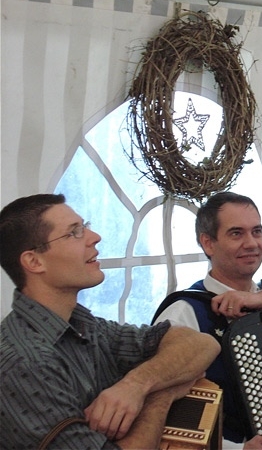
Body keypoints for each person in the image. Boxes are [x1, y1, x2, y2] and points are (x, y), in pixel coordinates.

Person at [0, 193, 220, 450]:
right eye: (74, 232)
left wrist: (135, 386)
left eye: (85, 226)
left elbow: (202, 344)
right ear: (34, 261)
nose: (95, 237)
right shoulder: (23, 363)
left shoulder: (84, 326)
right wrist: (161, 395)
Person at [153, 191, 262, 450]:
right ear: (208, 243)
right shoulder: (183, 312)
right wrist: (237, 449)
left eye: (257, 231)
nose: (252, 243)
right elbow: (161, 412)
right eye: (236, 233)